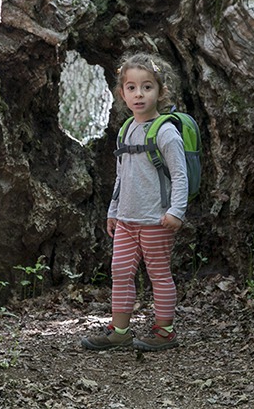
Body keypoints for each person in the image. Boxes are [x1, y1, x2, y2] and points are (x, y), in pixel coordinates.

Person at [81, 52, 189, 352]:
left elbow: (180, 177)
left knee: (159, 275)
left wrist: (176, 211)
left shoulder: (166, 132)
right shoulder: (126, 129)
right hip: (127, 221)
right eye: (131, 87)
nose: (138, 94)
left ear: (160, 91)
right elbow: (121, 176)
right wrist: (113, 211)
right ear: (122, 92)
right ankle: (120, 331)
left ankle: (165, 331)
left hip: (157, 220)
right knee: (120, 272)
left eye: (147, 87)